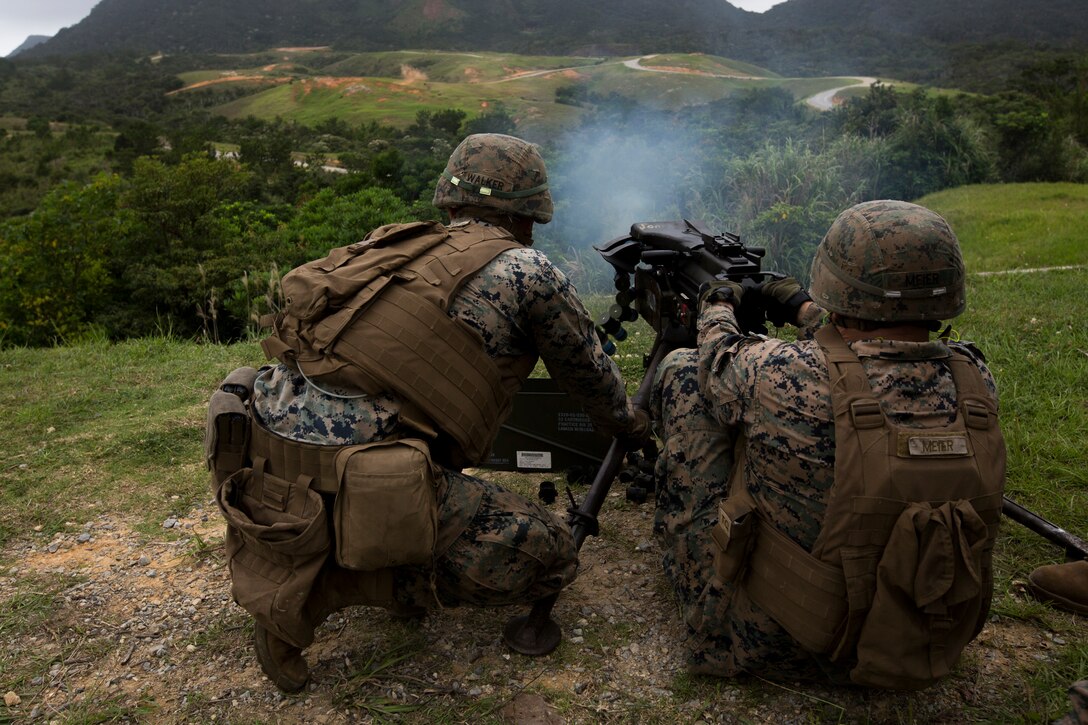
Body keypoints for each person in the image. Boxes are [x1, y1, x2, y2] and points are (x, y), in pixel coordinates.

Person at [207, 133, 648, 692]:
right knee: (551, 556)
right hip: (362, 476)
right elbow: (593, 382)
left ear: (450, 201)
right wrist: (632, 426)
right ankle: (331, 588)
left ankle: (333, 545)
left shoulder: (393, 245)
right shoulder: (529, 272)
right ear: (528, 216)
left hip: (270, 458)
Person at [651, 200, 1006, 689]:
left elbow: (718, 362)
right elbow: (875, 348)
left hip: (776, 647)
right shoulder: (976, 381)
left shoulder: (782, 375)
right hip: (921, 637)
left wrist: (716, 303)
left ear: (839, 279)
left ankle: (709, 622)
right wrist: (803, 309)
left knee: (685, 374)